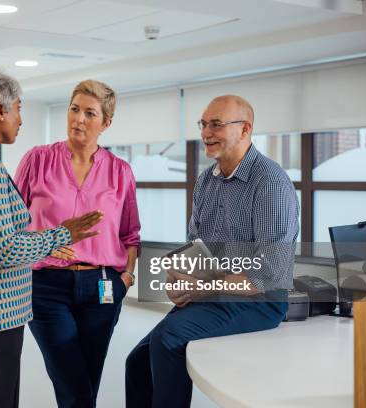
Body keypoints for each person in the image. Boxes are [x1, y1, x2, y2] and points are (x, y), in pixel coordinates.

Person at [0, 68, 103, 408]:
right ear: (0, 110)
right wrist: (61, 234)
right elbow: (5, 249)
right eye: (18, 108)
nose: (20, 118)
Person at [125, 95, 299, 408]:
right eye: (203, 124)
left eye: (216, 124)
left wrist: (203, 287)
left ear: (245, 130)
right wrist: (181, 282)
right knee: (135, 363)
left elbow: (267, 272)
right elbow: (198, 246)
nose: (206, 132)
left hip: (260, 302)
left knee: (168, 340)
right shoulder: (207, 180)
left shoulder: (270, 182)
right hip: (215, 294)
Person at [14, 79, 141, 408]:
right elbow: (11, 223)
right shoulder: (38, 160)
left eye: (89, 113)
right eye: (74, 109)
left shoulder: (120, 171)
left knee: (87, 378)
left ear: (106, 123)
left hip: (103, 286)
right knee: (70, 378)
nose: (78, 119)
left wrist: (126, 277)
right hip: (46, 287)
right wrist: (45, 243)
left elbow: (130, 233)